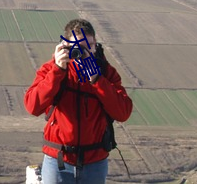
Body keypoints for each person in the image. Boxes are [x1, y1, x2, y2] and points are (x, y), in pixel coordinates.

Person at [24, 19, 133, 184]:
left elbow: (123, 112)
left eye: (89, 46)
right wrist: (58, 70)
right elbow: (33, 106)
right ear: (65, 45)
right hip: (59, 160)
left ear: (95, 45)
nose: (84, 52)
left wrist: (97, 80)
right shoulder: (52, 69)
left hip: (94, 162)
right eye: (78, 46)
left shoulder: (106, 73)